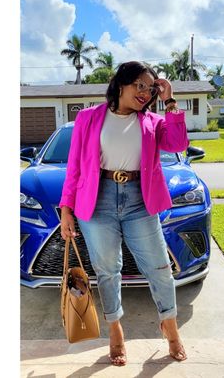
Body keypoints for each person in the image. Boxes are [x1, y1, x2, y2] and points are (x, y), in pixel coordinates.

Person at [59, 61, 189, 366]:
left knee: (159, 267)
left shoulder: (153, 122)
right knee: (108, 270)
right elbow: (75, 167)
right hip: (98, 200)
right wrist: (66, 209)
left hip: (139, 200)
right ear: (121, 84)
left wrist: (170, 101)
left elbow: (178, 143)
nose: (145, 93)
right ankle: (115, 330)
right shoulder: (88, 118)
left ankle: (170, 327)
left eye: (150, 88)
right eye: (139, 85)